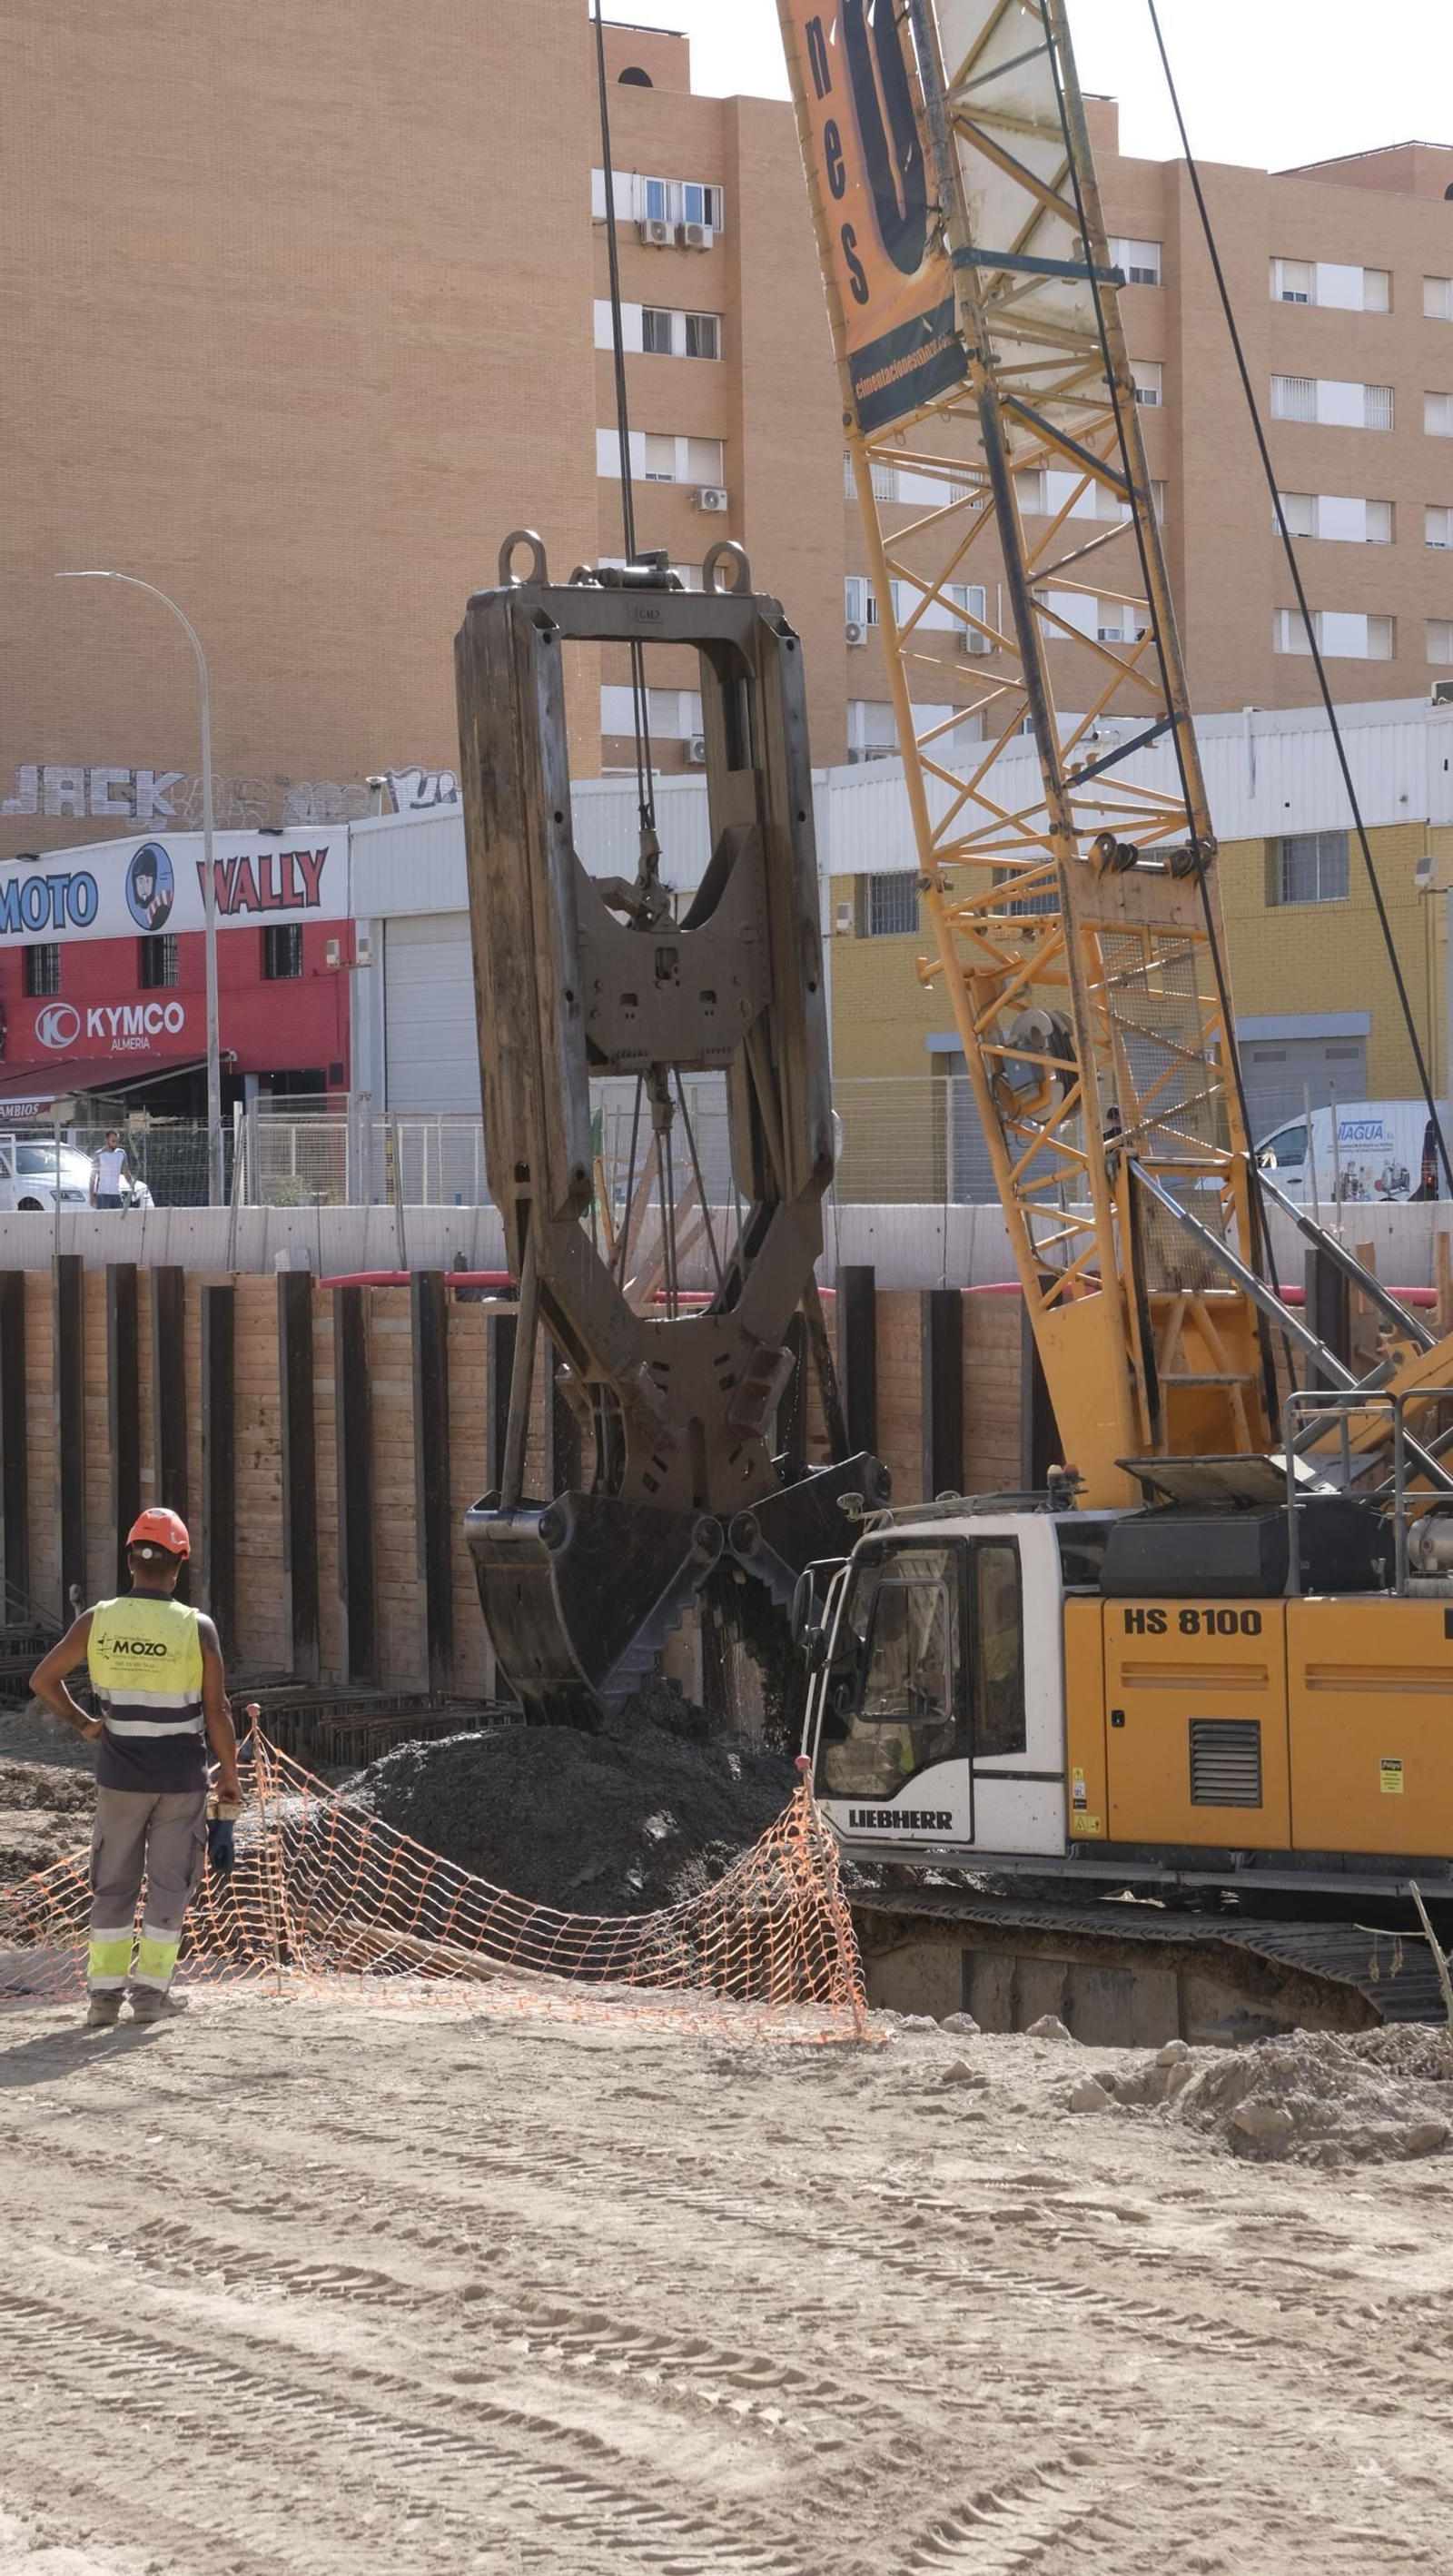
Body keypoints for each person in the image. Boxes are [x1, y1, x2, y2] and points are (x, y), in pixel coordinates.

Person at [30, 1507, 241, 2027]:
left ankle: (103, 2000)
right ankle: (149, 1997)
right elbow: (217, 1712)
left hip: (119, 1779)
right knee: (170, 1887)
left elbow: (42, 1679)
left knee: (114, 1886)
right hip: (179, 1781)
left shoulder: (97, 1619)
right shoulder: (198, 1628)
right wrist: (231, 1779)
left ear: (130, 1559)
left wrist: (85, 1724)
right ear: (179, 1565)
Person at [90, 1129, 133, 1211]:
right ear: (106, 1140)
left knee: (119, 1220)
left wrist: (132, 1186)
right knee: (105, 1220)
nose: (115, 1144)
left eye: (117, 1141)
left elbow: (126, 1172)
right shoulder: (99, 1154)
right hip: (103, 1194)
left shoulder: (121, 1153)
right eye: (113, 1141)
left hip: (116, 1193)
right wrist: (91, 1195)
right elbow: (93, 1177)